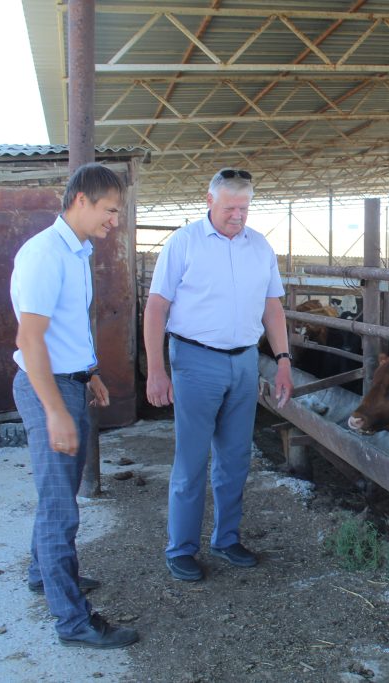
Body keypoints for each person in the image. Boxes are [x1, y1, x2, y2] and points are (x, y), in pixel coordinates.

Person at [11, 162, 139, 649]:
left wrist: (88, 373)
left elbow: (65, 329)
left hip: (68, 381)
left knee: (57, 496)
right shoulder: (44, 254)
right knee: (60, 508)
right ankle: (72, 622)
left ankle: (42, 575)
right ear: (80, 200)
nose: (115, 221)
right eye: (110, 210)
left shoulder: (75, 252)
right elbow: (31, 337)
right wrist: (56, 410)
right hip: (47, 388)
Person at [144, 168, 294, 582]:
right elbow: (156, 307)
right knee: (191, 460)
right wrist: (156, 369)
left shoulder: (259, 247)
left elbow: (273, 307)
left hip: (244, 360)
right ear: (208, 202)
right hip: (195, 359)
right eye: (230, 207)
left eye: (244, 208)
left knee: (235, 457)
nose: (238, 216)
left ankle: (226, 539)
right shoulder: (183, 243)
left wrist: (282, 360)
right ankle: (181, 548)